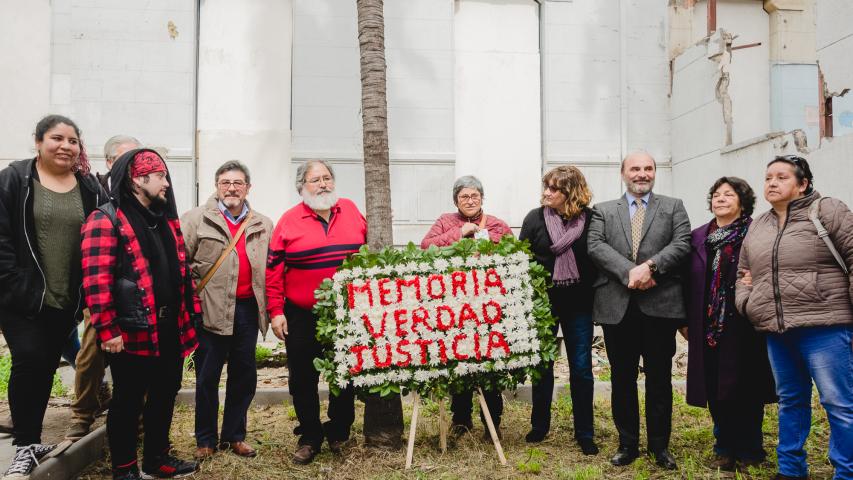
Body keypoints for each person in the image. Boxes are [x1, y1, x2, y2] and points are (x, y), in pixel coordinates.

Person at [81, 149, 199, 480]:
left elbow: (181, 270)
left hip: (168, 326)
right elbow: (95, 280)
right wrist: (108, 330)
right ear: (138, 179)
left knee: (165, 393)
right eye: (161, 176)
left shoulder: (165, 219)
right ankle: (124, 468)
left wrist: (191, 315)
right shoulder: (105, 219)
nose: (167, 184)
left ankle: (156, 460)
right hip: (131, 331)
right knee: (128, 400)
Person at [0, 114, 107, 478]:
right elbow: (2, 238)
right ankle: (23, 445)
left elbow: (106, 236)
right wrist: (14, 284)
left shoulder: (90, 187)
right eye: (56, 138)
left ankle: (31, 439)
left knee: (45, 368)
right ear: (38, 141)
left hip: (67, 300)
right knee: (28, 359)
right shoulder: (15, 179)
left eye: (73, 141)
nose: (65, 146)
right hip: (22, 298)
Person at [736, 156, 853, 480]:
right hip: (778, 329)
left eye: (782, 177)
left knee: (838, 403)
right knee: (790, 401)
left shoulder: (828, 211)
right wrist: (748, 303)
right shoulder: (759, 225)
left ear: (803, 184)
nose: (772, 182)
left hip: (825, 326)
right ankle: (791, 471)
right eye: (768, 177)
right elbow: (742, 274)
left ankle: (846, 472)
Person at [587, 151, 690, 470]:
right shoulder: (603, 211)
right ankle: (627, 443)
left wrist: (651, 267)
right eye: (635, 168)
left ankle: (660, 447)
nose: (642, 173)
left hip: (660, 305)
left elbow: (683, 243)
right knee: (622, 379)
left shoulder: (673, 206)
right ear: (623, 173)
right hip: (617, 307)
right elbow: (595, 245)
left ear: (654, 173)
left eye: (648, 168)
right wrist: (630, 272)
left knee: (659, 379)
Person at [266, 159, 365, 465]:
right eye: (315, 180)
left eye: (327, 178)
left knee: (345, 373)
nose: (323, 184)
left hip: (346, 313)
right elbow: (273, 271)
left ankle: (338, 430)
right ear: (301, 187)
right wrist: (275, 311)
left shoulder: (350, 210)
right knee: (303, 379)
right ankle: (310, 436)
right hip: (301, 313)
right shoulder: (288, 221)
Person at [182, 161, 272, 460]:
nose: (231, 188)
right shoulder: (196, 220)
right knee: (207, 377)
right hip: (209, 310)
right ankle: (205, 439)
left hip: (247, 310)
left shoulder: (262, 223)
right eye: (225, 182)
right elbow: (182, 266)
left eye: (237, 183)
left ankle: (234, 435)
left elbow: (270, 269)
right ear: (216, 186)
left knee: (243, 376)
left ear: (248, 187)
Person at [684, 177, 775, 472]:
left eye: (728, 194)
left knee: (746, 386)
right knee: (715, 387)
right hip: (708, 323)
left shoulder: (756, 232)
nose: (720, 199)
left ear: (742, 201)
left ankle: (750, 449)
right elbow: (685, 282)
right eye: (716, 195)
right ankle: (724, 447)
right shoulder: (699, 236)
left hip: (745, 322)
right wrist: (684, 321)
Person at [420, 175, 512, 441]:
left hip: (489, 306)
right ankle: (461, 421)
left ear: (482, 198)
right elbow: (427, 247)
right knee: (459, 360)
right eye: (464, 197)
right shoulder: (445, 222)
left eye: (474, 196)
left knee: (489, 363)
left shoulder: (497, 225)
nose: (470, 201)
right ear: (456, 201)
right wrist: (460, 233)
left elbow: (513, 252)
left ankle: (492, 422)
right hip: (456, 307)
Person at [66, 134, 143, 442]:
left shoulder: (143, 193)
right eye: (129, 157)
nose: (135, 164)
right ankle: (82, 414)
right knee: (93, 349)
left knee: (138, 354)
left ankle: (137, 418)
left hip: (137, 288)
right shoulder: (92, 190)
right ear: (111, 162)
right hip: (100, 283)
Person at [519, 166, 598, 455]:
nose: (547, 193)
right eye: (546, 187)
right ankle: (539, 426)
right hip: (544, 306)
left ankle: (585, 433)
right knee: (542, 367)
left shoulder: (590, 220)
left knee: (581, 368)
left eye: (554, 189)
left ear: (571, 192)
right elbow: (522, 259)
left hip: (579, 305)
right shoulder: (534, 218)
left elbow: (597, 258)